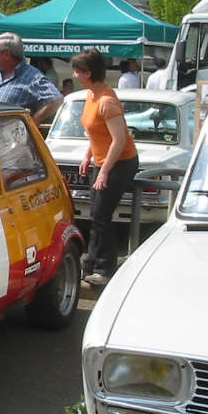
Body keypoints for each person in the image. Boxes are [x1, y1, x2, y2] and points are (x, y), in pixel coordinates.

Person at [73, 47, 139, 287]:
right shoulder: (92, 95)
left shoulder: (107, 101)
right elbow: (95, 133)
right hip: (103, 160)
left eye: (77, 71)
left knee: (101, 215)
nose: (74, 75)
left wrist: (104, 172)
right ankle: (89, 263)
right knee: (95, 213)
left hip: (120, 162)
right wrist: (87, 156)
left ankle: (104, 269)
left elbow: (119, 141)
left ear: (88, 73)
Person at [0, 32, 63, 124]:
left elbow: (56, 100)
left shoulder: (32, 76)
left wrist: (31, 122)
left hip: (14, 136)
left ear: (7, 54)